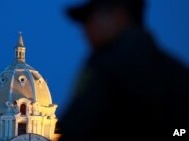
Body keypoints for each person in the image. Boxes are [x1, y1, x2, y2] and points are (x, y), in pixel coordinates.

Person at [60, 0, 189, 140]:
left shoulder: (106, 66)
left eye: (89, 19)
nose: (84, 31)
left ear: (119, 15)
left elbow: (76, 127)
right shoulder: (178, 71)